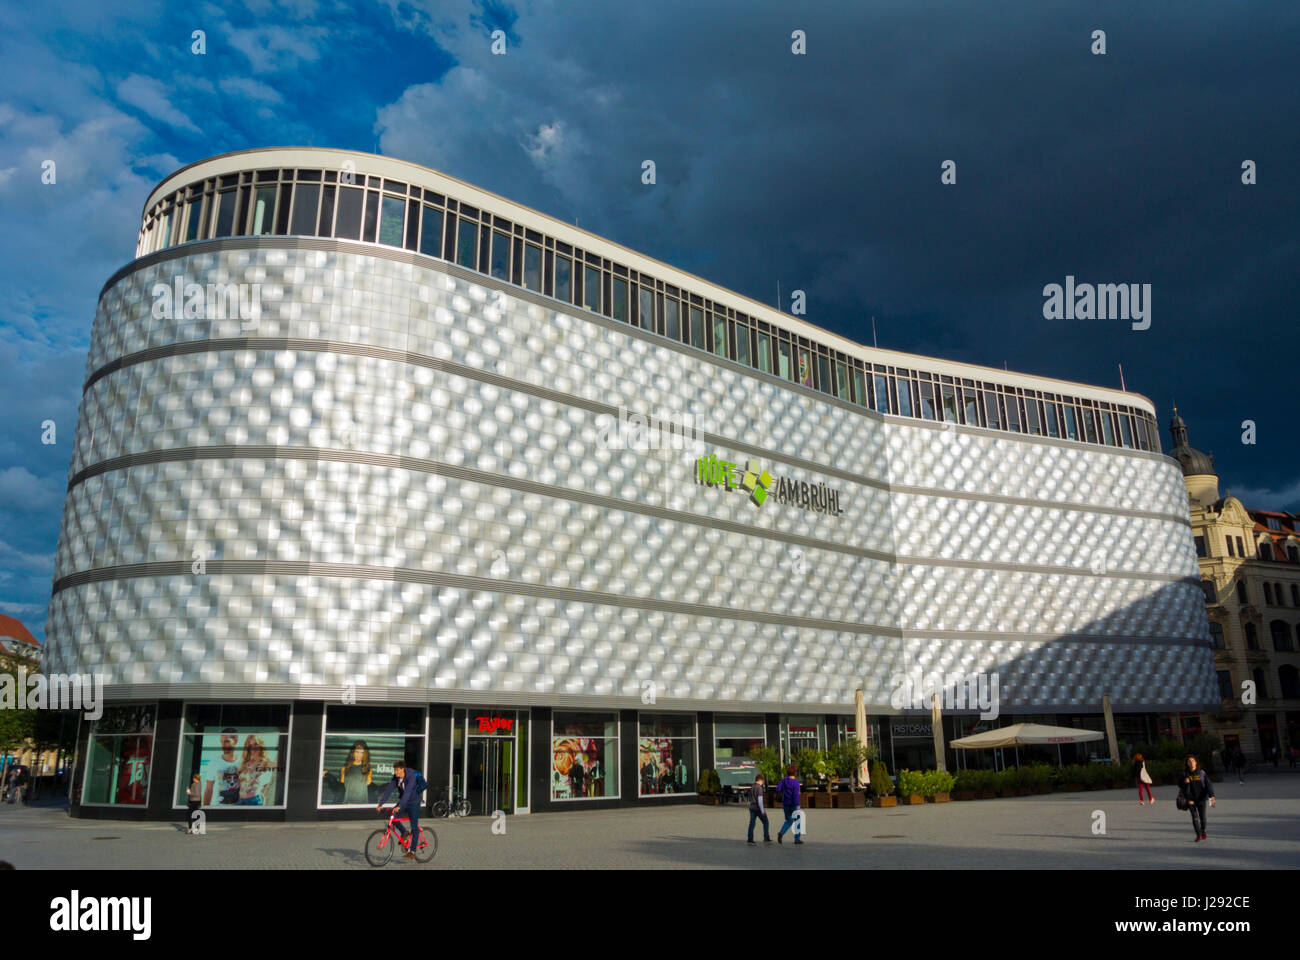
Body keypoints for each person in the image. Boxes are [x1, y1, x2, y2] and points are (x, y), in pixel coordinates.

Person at [377, 761, 424, 859]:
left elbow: (407, 792)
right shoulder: (396, 778)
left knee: (414, 826)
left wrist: (400, 805)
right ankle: (404, 832)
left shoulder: (411, 776)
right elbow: (388, 790)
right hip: (404, 801)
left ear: (403, 769)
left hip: (414, 801)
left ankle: (413, 851)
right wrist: (381, 804)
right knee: (393, 817)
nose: (395, 772)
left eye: (397, 770)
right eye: (394, 770)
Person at [1178, 754, 1215, 842]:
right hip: (1190, 799)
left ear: (1196, 762)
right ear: (1187, 763)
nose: (1191, 763)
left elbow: (1208, 784)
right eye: (1189, 761)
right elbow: (1179, 785)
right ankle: (1198, 835)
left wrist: (1211, 796)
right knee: (1195, 817)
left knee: (1203, 818)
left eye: (1192, 761)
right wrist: (1185, 782)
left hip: (1201, 798)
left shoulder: (1201, 773)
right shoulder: (1184, 774)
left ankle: (1202, 831)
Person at [338, 740, 373, 805]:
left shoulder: (368, 769)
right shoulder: (344, 768)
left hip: (362, 806)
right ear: (353, 752)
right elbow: (341, 789)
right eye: (357, 752)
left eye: (362, 753)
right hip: (347, 805)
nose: (359, 755)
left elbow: (369, 787)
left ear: (365, 754)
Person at [776, 764, 803, 844]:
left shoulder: (784, 780)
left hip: (785, 804)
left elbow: (778, 788)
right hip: (794, 804)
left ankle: (781, 833)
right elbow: (795, 795)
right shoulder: (795, 782)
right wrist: (797, 805)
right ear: (795, 773)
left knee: (788, 820)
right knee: (798, 821)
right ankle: (797, 839)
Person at [746, 773, 771, 844]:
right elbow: (760, 801)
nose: (762, 783)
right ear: (760, 780)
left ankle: (750, 839)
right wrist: (762, 810)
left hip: (751, 807)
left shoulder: (752, 787)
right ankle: (766, 837)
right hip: (758, 808)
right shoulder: (759, 788)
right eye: (762, 781)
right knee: (766, 822)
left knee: (752, 823)